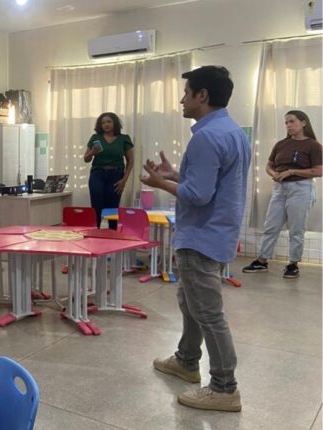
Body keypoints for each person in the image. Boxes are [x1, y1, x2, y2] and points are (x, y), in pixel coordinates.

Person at [140, 65, 249, 412]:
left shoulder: (206, 136)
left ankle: (224, 387)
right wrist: (176, 174)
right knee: (190, 302)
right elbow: (213, 182)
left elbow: (198, 195)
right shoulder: (232, 131)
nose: (181, 100)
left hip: (201, 235)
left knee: (208, 312)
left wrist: (160, 183)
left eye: (186, 94)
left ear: (202, 95)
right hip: (218, 233)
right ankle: (187, 360)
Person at [242, 110, 322, 279]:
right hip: (280, 188)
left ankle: (293, 264)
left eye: (292, 121)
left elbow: (318, 171)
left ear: (303, 123)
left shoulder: (313, 145)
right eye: (286, 122)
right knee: (271, 226)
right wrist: (274, 174)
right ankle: (262, 261)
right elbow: (269, 165)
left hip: (301, 189)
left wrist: (291, 171)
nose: (288, 125)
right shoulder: (281, 144)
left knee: (296, 228)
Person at [83, 112, 134, 229]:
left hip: (116, 174)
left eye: (109, 121)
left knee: (112, 207)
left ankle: (112, 234)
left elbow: (130, 160)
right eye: (103, 123)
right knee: (97, 205)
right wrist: (92, 153)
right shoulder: (95, 138)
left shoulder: (124, 139)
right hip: (98, 174)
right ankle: (95, 232)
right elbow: (86, 159)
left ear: (114, 123)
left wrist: (124, 180)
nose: (106, 124)